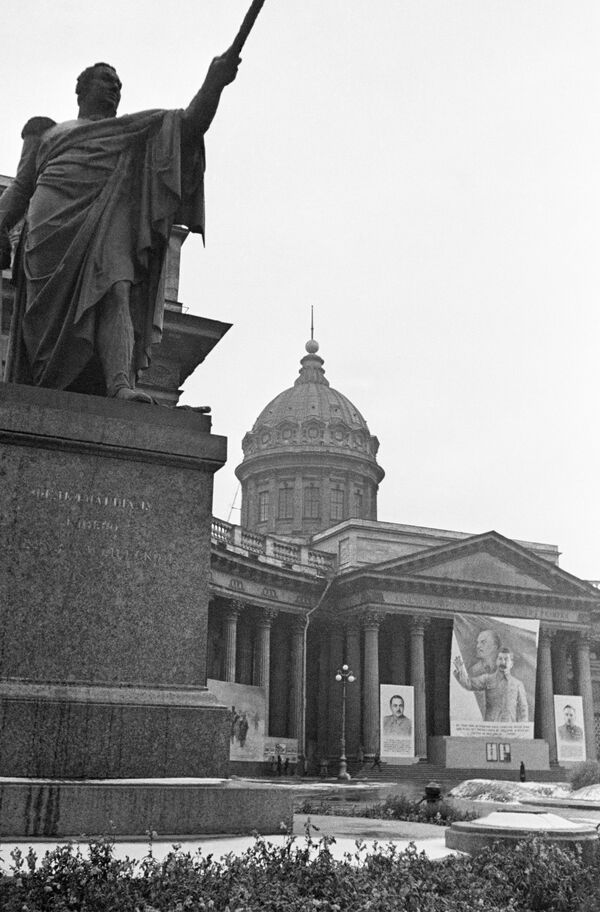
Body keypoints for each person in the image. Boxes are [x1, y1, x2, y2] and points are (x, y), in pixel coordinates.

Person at [0, 54, 240, 402]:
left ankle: (119, 385)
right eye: (106, 81)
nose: (114, 88)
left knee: (117, 288)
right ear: (81, 89)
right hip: (48, 230)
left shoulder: (133, 131)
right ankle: (43, 383)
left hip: (107, 219)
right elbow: (22, 188)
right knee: (42, 323)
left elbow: (188, 126)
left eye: (119, 86)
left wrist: (214, 83)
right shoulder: (48, 132)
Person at [453, 647, 528, 723]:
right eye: (500, 658)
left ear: (511, 664)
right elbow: (469, 684)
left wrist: (522, 728)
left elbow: (523, 709)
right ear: (496, 661)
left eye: (506, 659)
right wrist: (461, 670)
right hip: (491, 728)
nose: (502, 662)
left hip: (509, 729)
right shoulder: (487, 679)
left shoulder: (518, 684)